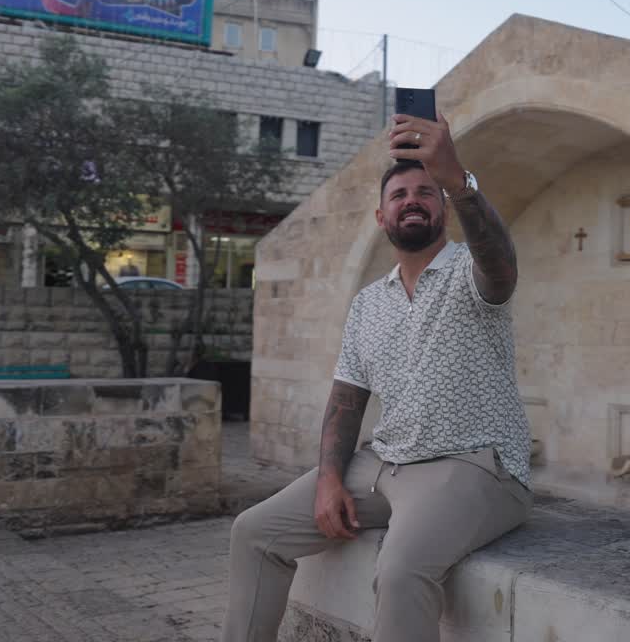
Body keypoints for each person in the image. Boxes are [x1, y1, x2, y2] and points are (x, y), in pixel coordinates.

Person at [224, 111, 532, 642]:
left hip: (473, 463)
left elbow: (502, 266)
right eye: (399, 195)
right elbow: (346, 400)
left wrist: (458, 181)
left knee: (400, 571)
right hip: (384, 463)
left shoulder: (471, 271)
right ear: (380, 215)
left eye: (426, 192)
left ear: (443, 208)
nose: (412, 200)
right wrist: (328, 479)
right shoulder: (369, 302)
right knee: (254, 533)